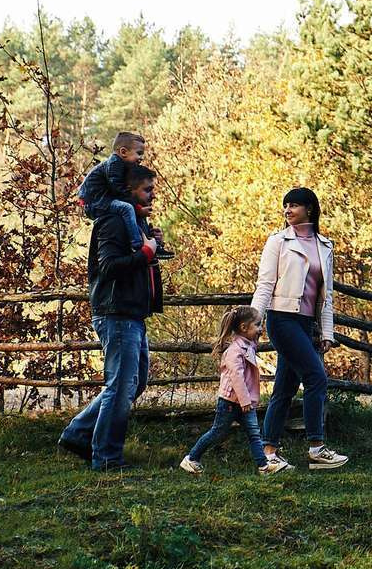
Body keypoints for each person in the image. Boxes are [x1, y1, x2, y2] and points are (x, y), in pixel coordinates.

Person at [58, 162, 165, 471]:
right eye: (146, 189)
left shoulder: (135, 223)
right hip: (117, 313)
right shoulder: (113, 222)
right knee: (121, 386)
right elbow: (109, 267)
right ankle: (106, 457)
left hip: (132, 313)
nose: (152, 194)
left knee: (135, 382)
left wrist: (155, 245)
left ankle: (78, 433)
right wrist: (146, 253)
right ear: (127, 192)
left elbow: (142, 260)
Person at [252, 187, 349, 469]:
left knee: (285, 386)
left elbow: (326, 295)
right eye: (285, 206)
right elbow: (265, 285)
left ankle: (268, 453)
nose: (287, 210)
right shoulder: (278, 242)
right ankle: (317, 447)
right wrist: (255, 322)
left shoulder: (325, 246)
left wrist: (327, 332)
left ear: (310, 209)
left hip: (306, 323)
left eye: (294, 205)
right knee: (316, 376)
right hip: (282, 319)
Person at [180, 307, 289, 475]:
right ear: (244, 328)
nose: (261, 328)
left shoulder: (248, 345)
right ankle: (191, 459)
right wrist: (245, 400)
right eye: (258, 325)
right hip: (231, 402)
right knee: (217, 432)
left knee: (254, 434)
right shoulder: (234, 351)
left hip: (244, 402)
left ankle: (264, 466)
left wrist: (247, 401)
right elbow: (236, 377)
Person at [80, 132, 150, 254]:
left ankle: (148, 239)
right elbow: (117, 189)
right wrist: (136, 206)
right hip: (95, 202)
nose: (141, 158)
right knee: (127, 208)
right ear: (123, 152)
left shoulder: (123, 166)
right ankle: (137, 244)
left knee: (133, 206)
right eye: (139, 153)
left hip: (104, 199)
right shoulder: (115, 164)